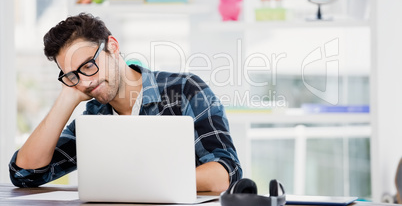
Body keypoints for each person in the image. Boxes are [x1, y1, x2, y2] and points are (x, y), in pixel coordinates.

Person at [8, 13, 242, 192]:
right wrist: (66, 98)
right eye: (73, 75)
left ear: (113, 46)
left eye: (89, 65)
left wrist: (144, 181)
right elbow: (25, 174)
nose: (86, 81)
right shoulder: (94, 118)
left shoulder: (185, 90)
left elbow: (226, 171)